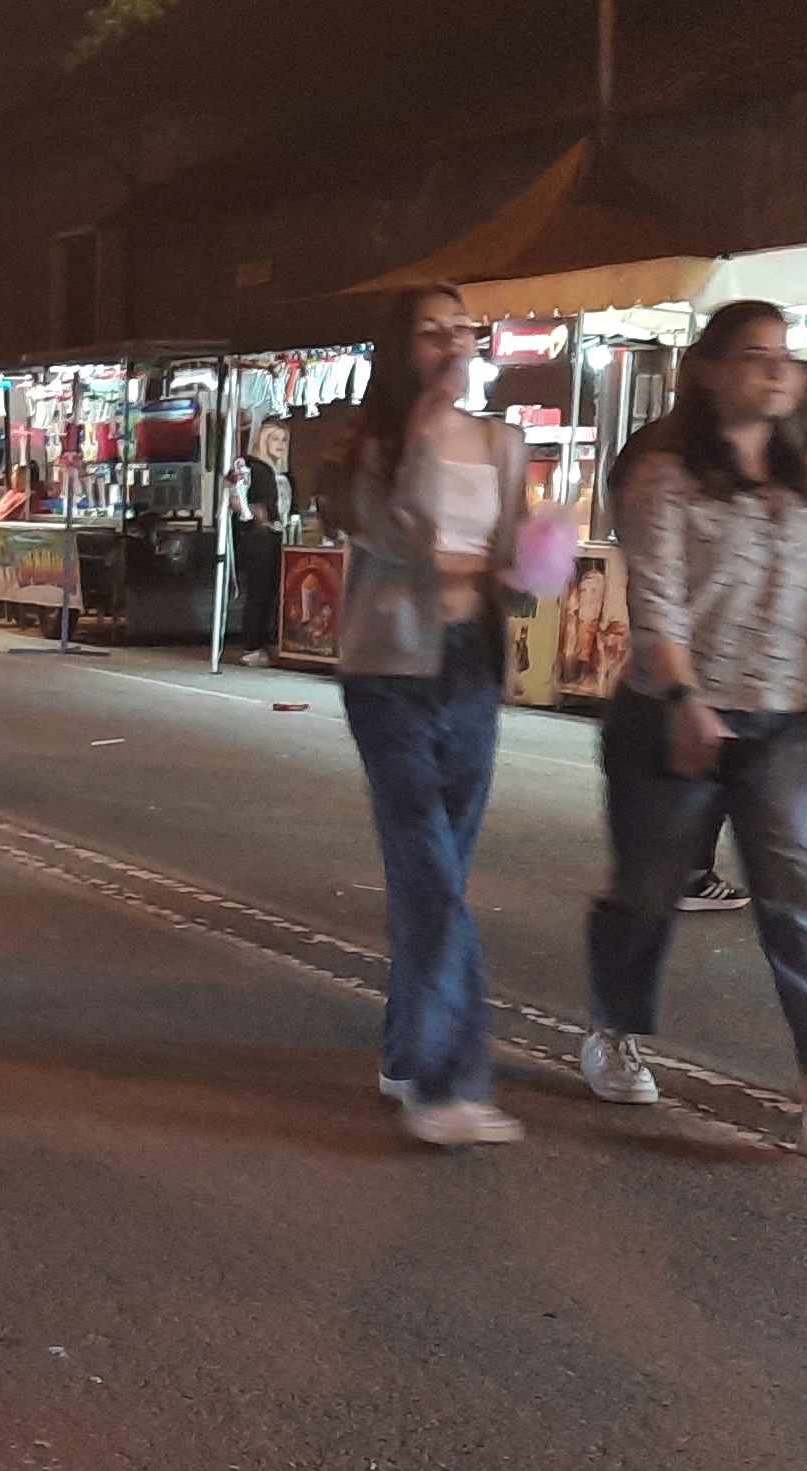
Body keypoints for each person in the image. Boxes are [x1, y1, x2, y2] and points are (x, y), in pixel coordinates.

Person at [579, 300, 807, 1157]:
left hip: (781, 718)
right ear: (706, 371)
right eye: (753, 354)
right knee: (648, 889)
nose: (777, 370)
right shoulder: (663, 474)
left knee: (803, 897)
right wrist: (685, 701)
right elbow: (657, 600)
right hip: (670, 716)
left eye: (787, 355)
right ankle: (615, 1028)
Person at [327, 285, 529, 1147]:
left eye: (462, 330)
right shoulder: (364, 444)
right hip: (388, 670)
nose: (451, 344)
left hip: (470, 665)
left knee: (441, 873)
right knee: (429, 874)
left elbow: (513, 565)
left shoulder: (502, 442)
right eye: (430, 332)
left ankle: (408, 1056)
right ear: (400, 349)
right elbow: (396, 535)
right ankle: (445, 1083)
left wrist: (533, 561)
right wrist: (421, 430)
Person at [227, 421, 292, 649]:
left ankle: (266, 641)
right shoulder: (254, 468)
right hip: (259, 536)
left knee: (272, 591)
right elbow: (235, 498)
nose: (280, 444)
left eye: (284, 440)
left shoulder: (280, 473)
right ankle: (254, 644)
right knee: (260, 591)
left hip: (277, 534)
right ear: (263, 441)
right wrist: (255, 513)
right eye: (275, 439)